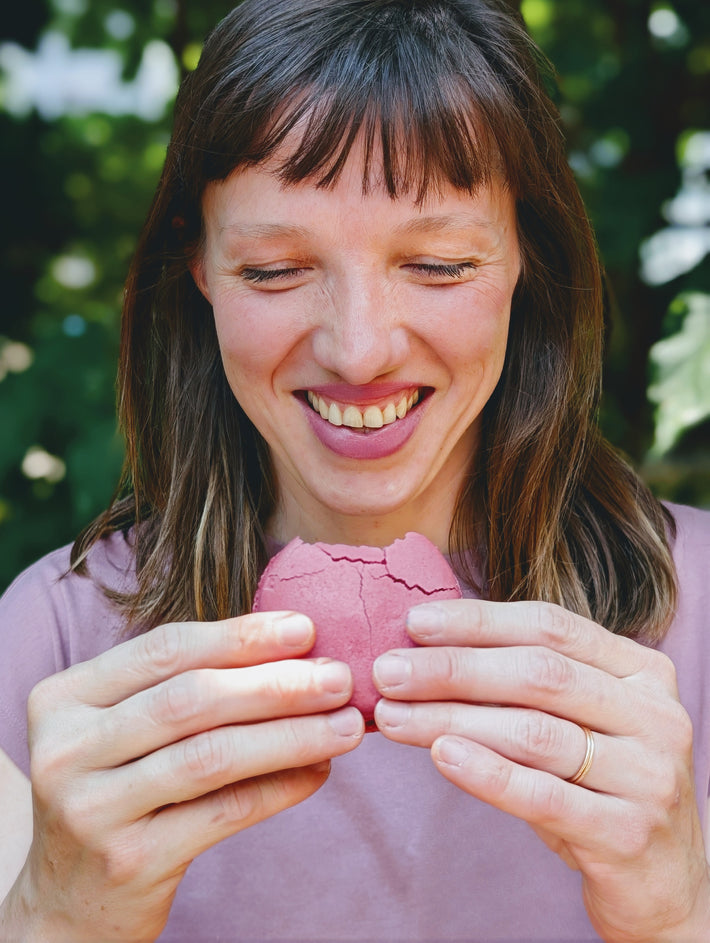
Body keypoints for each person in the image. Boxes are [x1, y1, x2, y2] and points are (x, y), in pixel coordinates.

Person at [1, 0, 709, 939]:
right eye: (275, 270)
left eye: (440, 263)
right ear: (200, 268)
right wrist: (55, 914)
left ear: (526, 258)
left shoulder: (697, 614)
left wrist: (677, 912)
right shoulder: (51, 650)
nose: (361, 349)